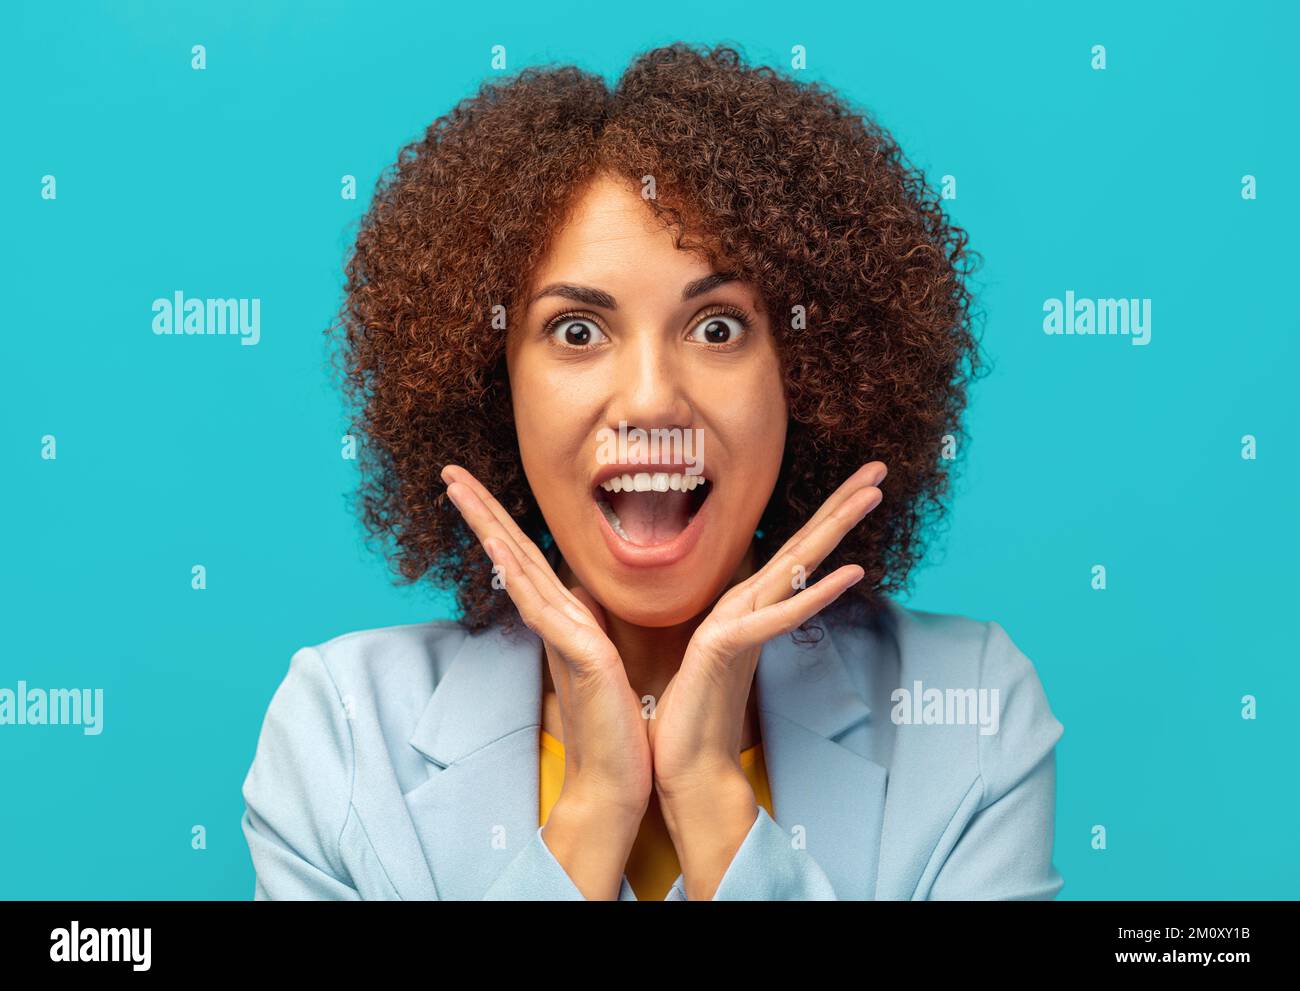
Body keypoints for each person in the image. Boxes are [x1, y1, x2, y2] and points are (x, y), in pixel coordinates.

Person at [241, 42, 1064, 900]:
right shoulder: (342, 729)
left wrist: (710, 795)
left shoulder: (968, 711)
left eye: (717, 328)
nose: (650, 401)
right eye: (576, 331)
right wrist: (594, 807)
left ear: (808, 373)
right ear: (494, 385)